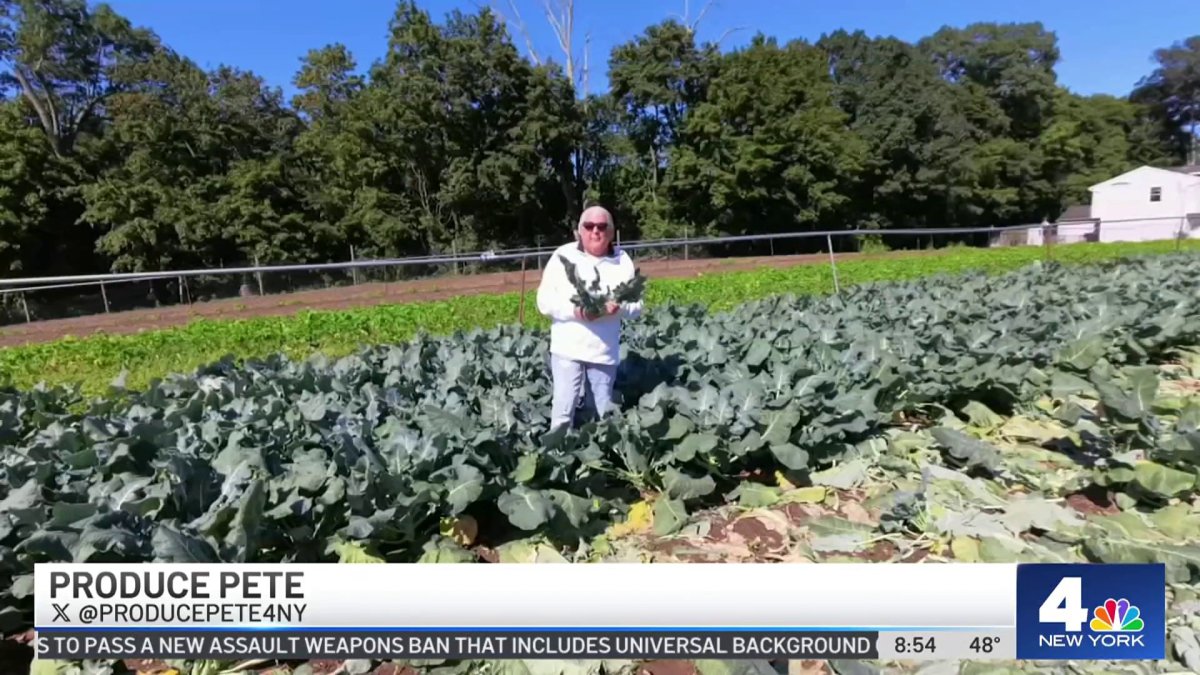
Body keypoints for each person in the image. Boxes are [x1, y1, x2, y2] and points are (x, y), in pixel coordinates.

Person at [536, 205, 643, 430]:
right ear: (579, 231)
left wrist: (619, 308)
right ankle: (559, 457)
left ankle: (595, 459)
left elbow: (637, 306)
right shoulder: (562, 256)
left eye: (602, 226)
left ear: (611, 233)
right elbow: (544, 302)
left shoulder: (623, 261)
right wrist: (575, 312)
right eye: (589, 226)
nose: (596, 231)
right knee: (564, 410)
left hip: (603, 353)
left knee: (601, 412)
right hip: (567, 349)